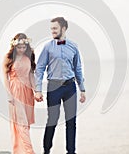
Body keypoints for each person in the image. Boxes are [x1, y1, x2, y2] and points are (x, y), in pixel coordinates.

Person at [35, 17, 86, 154]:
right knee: (52, 120)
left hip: (70, 87)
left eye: (55, 28)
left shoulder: (74, 46)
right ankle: (46, 151)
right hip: (53, 87)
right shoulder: (47, 47)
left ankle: (71, 152)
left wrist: (82, 89)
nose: (52, 31)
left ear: (63, 28)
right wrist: (38, 90)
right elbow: (39, 68)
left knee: (71, 122)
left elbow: (78, 69)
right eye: (51, 28)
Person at [2, 33, 36, 154]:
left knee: (26, 123)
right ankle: (29, 151)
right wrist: (9, 95)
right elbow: (6, 78)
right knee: (21, 123)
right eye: (19, 47)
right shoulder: (8, 57)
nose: (21, 49)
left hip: (28, 92)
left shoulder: (29, 56)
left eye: (23, 47)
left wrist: (36, 91)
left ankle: (20, 151)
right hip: (15, 91)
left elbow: (31, 75)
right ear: (14, 46)